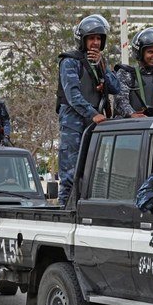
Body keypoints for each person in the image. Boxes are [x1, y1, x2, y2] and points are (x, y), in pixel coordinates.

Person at [56, 14, 121, 206]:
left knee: (93, 173)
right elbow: (73, 96)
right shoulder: (70, 61)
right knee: (70, 175)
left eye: (99, 39)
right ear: (82, 40)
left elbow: (116, 88)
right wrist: (94, 114)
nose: (95, 42)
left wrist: (103, 67)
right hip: (74, 124)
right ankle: (64, 212)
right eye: (91, 38)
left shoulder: (101, 62)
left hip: (95, 125)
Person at [114, 27, 153, 118]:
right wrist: (132, 114)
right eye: (150, 52)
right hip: (130, 126)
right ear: (139, 53)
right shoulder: (126, 74)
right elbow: (120, 101)